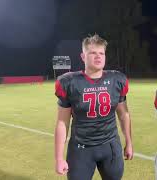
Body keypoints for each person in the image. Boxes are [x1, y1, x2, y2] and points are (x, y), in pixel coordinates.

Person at [54, 34, 133, 180]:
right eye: (93, 53)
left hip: (110, 146)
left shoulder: (117, 80)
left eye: (101, 53)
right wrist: (59, 158)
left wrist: (129, 142)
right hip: (81, 148)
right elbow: (62, 122)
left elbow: (123, 114)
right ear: (83, 56)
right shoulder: (69, 82)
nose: (98, 56)